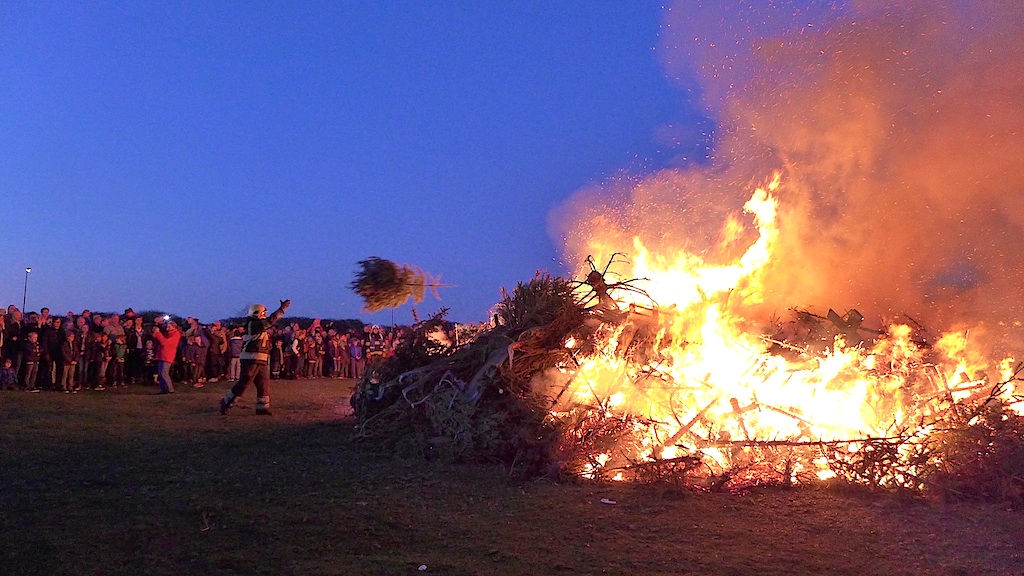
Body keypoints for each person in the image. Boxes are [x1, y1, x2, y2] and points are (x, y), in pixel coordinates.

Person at [219, 300, 289, 416]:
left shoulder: (257, 326)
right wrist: (281, 310)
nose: (264, 316)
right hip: (250, 359)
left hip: (260, 359)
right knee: (244, 382)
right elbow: (270, 321)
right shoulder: (253, 324)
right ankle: (226, 402)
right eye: (263, 313)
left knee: (263, 383)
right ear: (257, 313)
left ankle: (262, 407)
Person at [151, 319, 182, 394]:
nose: (167, 327)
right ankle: (163, 389)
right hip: (163, 355)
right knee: (160, 373)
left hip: (168, 355)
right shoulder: (168, 334)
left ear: (174, 327)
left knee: (164, 373)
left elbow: (164, 342)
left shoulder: (175, 335)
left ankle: (170, 389)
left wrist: (158, 333)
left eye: (169, 326)